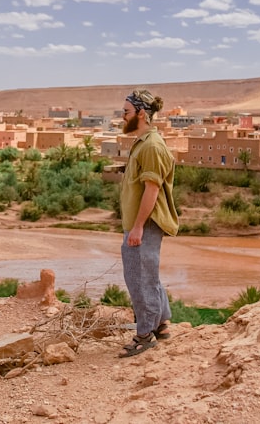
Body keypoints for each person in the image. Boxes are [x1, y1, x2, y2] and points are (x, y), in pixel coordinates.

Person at [118, 89, 179, 358]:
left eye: (126, 112)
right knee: (148, 275)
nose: (122, 117)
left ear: (141, 114)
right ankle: (162, 324)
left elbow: (152, 191)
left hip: (146, 223)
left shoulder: (152, 146)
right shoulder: (144, 141)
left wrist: (138, 227)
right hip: (141, 222)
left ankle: (144, 336)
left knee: (138, 279)